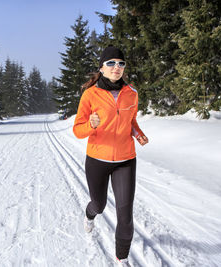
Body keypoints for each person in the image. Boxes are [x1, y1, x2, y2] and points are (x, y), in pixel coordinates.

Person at [73, 45, 148, 266]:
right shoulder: (90, 94)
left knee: (125, 214)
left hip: (126, 160)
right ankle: (89, 215)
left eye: (121, 63)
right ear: (102, 68)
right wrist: (91, 125)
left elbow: (131, 122)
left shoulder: (132, 93)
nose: (117, 67)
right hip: (97, 160)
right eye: (111, 63)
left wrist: (139, 134)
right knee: (100, 204)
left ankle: (121, 259)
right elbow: (78, 129)